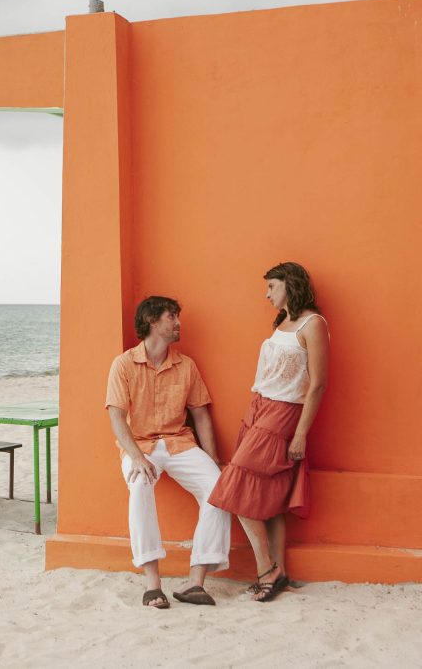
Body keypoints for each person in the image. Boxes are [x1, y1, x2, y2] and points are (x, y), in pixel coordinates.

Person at [208, 261, 329, 602]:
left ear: (290, 284)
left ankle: (266, 570)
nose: (266, 294)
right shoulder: (283, 323)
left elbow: (318, 384)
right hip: (259, 408)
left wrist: (301, 433)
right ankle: (281, 573)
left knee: (236, 487)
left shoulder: (313, 324)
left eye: (272, 287)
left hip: (284, 413)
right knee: (270, 497)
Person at [106, 296, 231, 609]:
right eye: (171, 317)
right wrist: (136, 457)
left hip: (179, 443)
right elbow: (116, 417)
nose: (178, 323)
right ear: (152, 321)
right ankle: (153, 585)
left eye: (177, 317)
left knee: (219, 489)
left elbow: (200, 414)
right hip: (140, 446)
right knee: (139, 485)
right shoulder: (123, 364)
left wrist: (213, 459)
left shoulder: (186, 365)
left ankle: (196, 582)